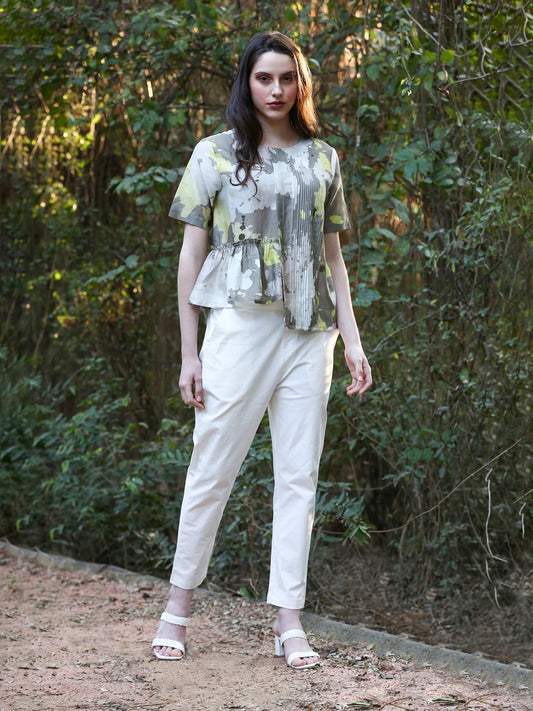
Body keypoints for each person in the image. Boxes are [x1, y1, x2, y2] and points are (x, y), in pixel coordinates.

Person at [152, 30, 372, 670]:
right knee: (211, 467)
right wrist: (189, 353)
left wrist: (352, 340)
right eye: (263, 78)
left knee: (298, 477)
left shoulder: (323, 159)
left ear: (301, 83)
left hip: (310, 336)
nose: (276, 90)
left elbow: (334, 259)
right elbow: (190, 256)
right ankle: (176, 609)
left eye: (286, 78)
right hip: (239, 329)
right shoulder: (215, 154)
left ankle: (288, 620)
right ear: (246, 83)